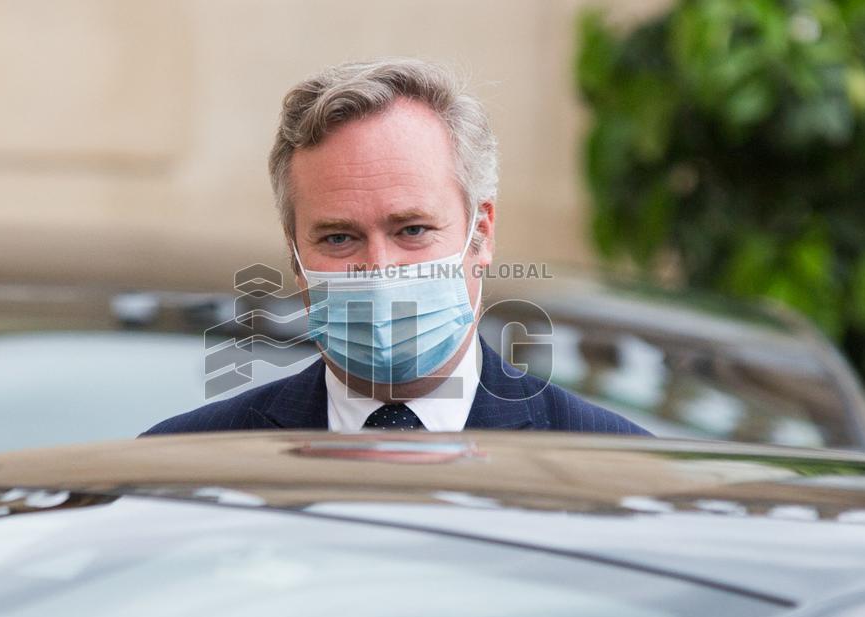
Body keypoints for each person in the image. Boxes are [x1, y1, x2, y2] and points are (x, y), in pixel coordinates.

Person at [143, 57, 648, 435]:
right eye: (339, 237)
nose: (379, 270)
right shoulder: (184, 469)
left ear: (481, 233)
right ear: (295, 256)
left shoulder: (612, 472)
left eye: (412, 230)